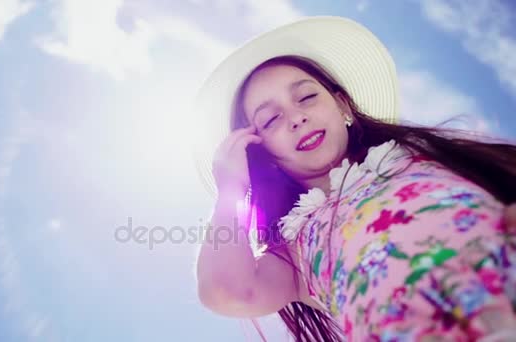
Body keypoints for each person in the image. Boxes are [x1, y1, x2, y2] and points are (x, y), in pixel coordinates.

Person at [193, 16, 516, 341]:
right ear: (264, 155)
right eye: (271, 119)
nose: (296, 117)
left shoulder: (427, 156)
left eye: (306, 97)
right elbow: (226, 290)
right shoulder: (296, 251)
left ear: (343, 104)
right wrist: (230, 188)